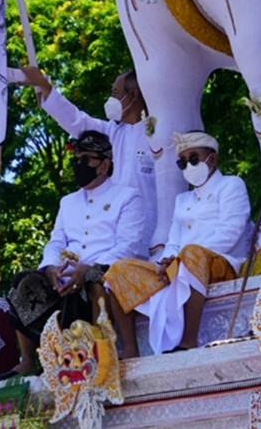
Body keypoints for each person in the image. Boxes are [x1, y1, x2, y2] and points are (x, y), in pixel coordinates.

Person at [0, 130, 146, 381]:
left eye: (85, 160)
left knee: (97, 278)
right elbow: (55, 242)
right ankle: (28, 360)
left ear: (104, 165)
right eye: (76, 160)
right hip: (63, 279)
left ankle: (102, 353)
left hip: (102, 272)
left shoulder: (127, 197)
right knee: (24, 282)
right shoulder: (68, 202)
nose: (78, 165)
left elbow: (127, 246)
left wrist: (86, 269)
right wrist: (51, 269)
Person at [104, 131, 251, 358]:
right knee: (118, 271)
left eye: (193, 159)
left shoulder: (231, 185)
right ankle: (130, 349)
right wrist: (169, 261)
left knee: (191, 252)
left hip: (222, 263)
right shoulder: (183, 199)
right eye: (182, 162)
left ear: (212, 159)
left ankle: (188, 340)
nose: (188, 166)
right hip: (180, 265)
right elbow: (173, 240)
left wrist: (183, 258)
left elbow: (230, 233)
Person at [13, 67, 157, 254]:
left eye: (115, 94)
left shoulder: (157, 135)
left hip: (150, 239)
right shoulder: (110, 132)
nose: (111, 100)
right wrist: (45, 87)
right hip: (107, 240)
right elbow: (76, 121)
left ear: (133, 95)